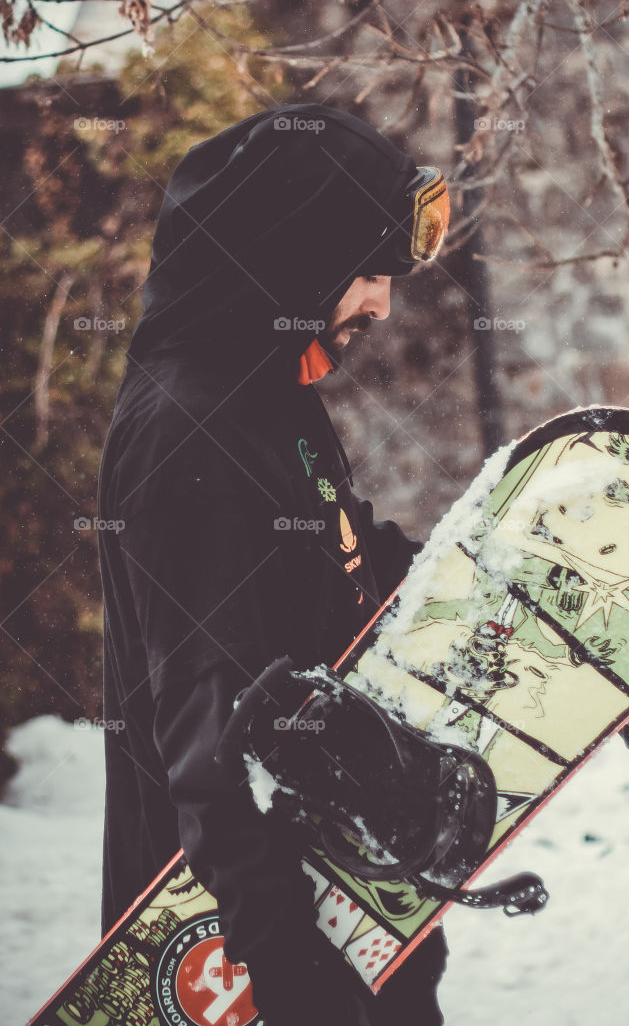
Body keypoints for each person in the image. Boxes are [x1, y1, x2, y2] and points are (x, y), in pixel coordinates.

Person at [96, 103, 451, 1024]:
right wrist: (298, 982)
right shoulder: (188, 435)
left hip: (348, 906)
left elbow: (346, 552)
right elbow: (215, 750)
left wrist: (527, 622)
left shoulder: (262, 390)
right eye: (367, 270)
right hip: (254, 946)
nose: (379, 302)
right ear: (291, 256)